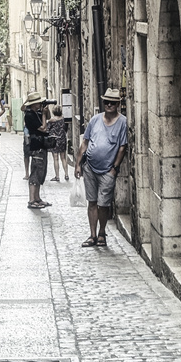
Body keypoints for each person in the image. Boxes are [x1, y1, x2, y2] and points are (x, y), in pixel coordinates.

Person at [75, 88, 128, 248]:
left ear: (118, 103)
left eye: (112, 102)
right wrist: (78, 164)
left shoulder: (122, 122)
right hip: (90, 167)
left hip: (107, 170)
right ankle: (92, 235)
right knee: (92, 202)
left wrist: (114, 168)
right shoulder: (95, 120)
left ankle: (102, 233)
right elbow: (85, 142)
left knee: (103, 204)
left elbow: (122, 147)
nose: (109, 104)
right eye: (106, 102)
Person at [24, 91, 52, 210]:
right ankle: (31, 200)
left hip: (41, 145)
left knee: (41, 172)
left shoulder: (37, 112)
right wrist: (44, 115)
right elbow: (44, 128)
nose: (40, 104)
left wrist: (46, 112)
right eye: (38, 103)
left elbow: (49, 117)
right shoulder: (29, 115)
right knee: (35, 172)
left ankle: (37, 198)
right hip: (36, 146)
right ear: (33, 104)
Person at [47, 104, 69, 181]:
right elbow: (66, 129)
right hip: (62, 139)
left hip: (54, 140)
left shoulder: (51, 121)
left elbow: (47, 129)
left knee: (55, 159)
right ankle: (66, 175)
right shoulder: (64, 120)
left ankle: (57, 176)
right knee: (63, 158)